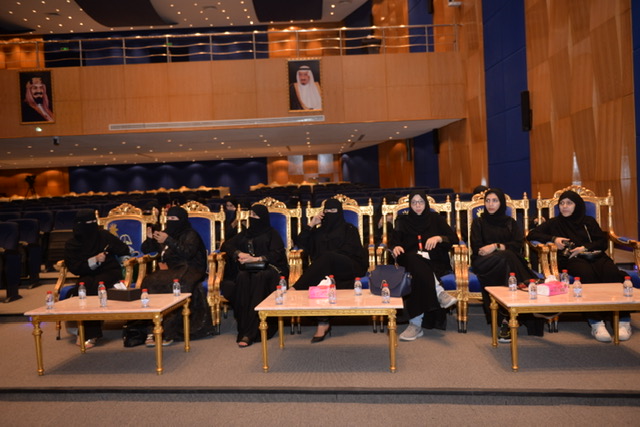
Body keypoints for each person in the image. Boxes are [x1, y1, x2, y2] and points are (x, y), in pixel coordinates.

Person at [527, 189, 629, 342]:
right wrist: (554, 239)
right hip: (572, 260)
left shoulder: (588, 221)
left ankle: (622, 320)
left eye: (569, 203)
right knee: (586, 274)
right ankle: (596, 322)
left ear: (577, 205)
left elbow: (602, 242)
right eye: (562, 203)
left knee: (612, 272)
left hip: (595, 255)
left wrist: (585, 247)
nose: (564, 207)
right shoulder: (554, 223)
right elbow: (532, 234)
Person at [293, 198, 369, 342]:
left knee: (328, 258)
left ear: (339, 212)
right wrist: (311, 224)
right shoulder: (318, 232)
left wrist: (329, 257)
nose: (330, 213)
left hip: (349, 267)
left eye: (333, 210)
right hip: (325, 271)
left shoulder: (349, 229)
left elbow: (352, 251)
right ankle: (323, 323)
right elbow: (301, 243)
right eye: (327, 210)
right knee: (323, 277)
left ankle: (295, 290)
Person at [470, 188, 540, 342]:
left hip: (505, 261)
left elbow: (518, 244)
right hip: (483, 262)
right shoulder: (478, 222)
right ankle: (526, 294)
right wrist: (501, 248)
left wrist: (496, 246)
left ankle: (504, 320)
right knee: (507, 256)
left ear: (501, 203)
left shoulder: (510, 223)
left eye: (495, 201)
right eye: (488, 201)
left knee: (506, 259)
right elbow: (478, 249)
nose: (490, 204)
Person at [389, 190, 458, 341]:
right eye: (414, 202)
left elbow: (454, 238)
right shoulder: (403, 221)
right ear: (410, 204)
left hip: (433, 262)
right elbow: (394, 242)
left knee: (419, 275)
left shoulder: (436, 219)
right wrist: (395, 247)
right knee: (414, 260)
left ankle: (415, 324)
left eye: (420, 202)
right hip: (410, 261)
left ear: (425, 203)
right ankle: (439, 292)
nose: (418, 205)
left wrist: (439, 238)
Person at [140, 206, 214, 346]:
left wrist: (168, 240)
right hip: (170, 269)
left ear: (182, 219)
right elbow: (147, 250)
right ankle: (152, 327)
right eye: (168, 218)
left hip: (190, 268)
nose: (170, 221)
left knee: (178, 285)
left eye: (174, 218)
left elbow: (188, 253)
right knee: (149, 281)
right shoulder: (165, 233)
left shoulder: (190, 234)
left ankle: (169, 331)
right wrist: (150, 239)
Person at [223, 204, 289, 348]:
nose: (252, 218)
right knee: (242, 277)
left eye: (255, 215)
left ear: (263, 217)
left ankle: (252, 332)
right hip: (248, 269)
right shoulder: (245, 233)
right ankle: (245, 329)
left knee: (259, 277)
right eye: (251, 215)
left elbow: (277, 254)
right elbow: (226, 245)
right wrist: (240, 254)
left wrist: (257, 259)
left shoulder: (272, 234)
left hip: (270, 269)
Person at [64, 209, 130, 349]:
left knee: (96, 286)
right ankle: (86, 329)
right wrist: (94, 260)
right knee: (82, 288)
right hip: (86, 273)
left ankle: (90, 334)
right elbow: (75, 267)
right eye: (88, 223)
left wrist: (111, 252)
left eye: (94, 222)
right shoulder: (72, 244)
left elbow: (123, 249)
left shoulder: (104, 235)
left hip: (109, 272)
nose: (92, 225)